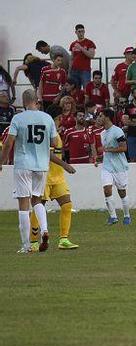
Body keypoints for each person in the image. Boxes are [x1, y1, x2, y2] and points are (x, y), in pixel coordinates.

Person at [1, 89, 76, 253]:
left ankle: (26, 245)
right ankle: (44, 231)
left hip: (23, 164)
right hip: (42, 166)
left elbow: (8, 142)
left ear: (23, 101)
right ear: (37, 101)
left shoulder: (18, 118)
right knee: (37, 200)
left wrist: (2, 161)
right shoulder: (47, 118)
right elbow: (56, 142)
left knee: (23, 204)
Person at [30, 131, 79, 249]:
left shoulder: (56, 134)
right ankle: (33, 242)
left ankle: (64, 239)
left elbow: (58, 153)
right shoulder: (42, 133)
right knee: (39, 206)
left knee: (67, 205)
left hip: (58, 177)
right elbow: (48, 154)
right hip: (44, 176)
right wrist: (65, 165)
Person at [96, 108, 131, 225]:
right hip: (107, 167)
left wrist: (107, 149)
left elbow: (123, 148)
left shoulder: (118, 131)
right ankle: (113, 216)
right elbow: (107, 152)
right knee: (107, 189)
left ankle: (127, 215)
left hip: (119, 167)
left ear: (107, 117)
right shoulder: (102, 133)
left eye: (101, 116)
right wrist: (100, 157)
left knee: (122, 192)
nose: (99, 118)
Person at [68, 24, 96, 88]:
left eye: (82, 31)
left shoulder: (89, 42)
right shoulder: (73, 44)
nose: (81, 33)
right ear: (76, 32)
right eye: (79, 32)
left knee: (86, 89)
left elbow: (92, 55)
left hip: (85, 71)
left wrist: (81, 48)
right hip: (74, 70)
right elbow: (71, 59)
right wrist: (69, 71)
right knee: (75, 90)